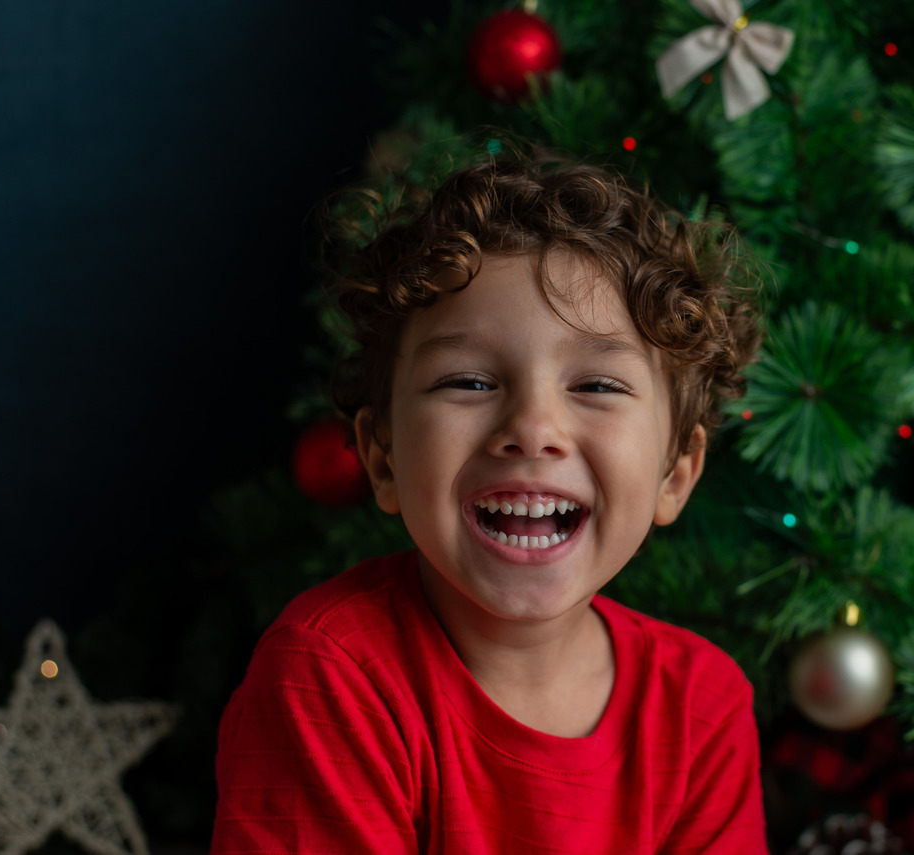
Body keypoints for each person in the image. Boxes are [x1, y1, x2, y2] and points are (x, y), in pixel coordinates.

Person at [210, 152, 768, 853]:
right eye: (469, 382)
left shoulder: (703, 707)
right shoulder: (329, 675)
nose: (532, 428)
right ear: (382, 456)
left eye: (597, 386)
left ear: (675, 475)